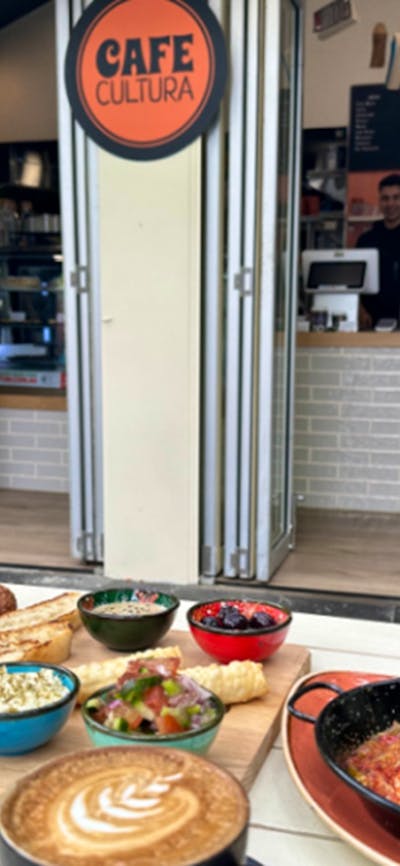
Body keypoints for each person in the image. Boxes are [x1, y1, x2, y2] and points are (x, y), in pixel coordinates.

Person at [356, 173, 400, 329]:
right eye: (385, 198)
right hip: (371, 320)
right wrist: (360, 310)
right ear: (379, 201)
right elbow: (354, 281)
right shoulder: (366, 239)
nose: (391, 204)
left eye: (396, 197)